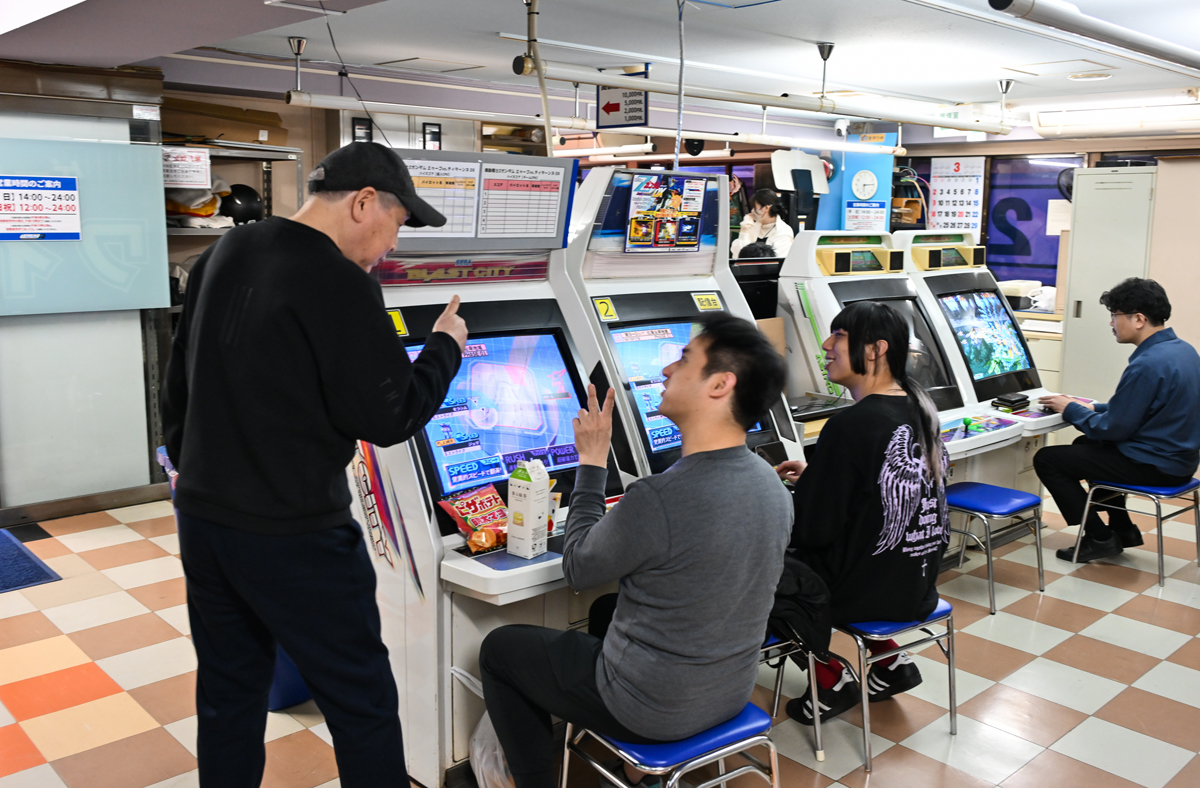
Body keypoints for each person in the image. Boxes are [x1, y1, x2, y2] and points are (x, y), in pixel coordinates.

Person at [162, 142, 469, 788]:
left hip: (205, 520)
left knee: (228, 695)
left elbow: (177, 384)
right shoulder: (341, 282)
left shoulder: (225, 250)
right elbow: (390, 416)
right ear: (364, 203)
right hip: (296, 532)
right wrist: (445, 347)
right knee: (362, 702)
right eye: (396, 223)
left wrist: (193, 474)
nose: (392, 244)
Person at [479, 314, 792, 788]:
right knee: (606, 611)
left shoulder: (660, 497)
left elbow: (577, 566)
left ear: (720, 384)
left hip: (653, 708)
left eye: (684, 359)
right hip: (730, 691)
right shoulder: (771, 483)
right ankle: (638, 774)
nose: (666, 370)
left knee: (500, 649)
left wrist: (591, 461)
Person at [774, 301, 949, 724]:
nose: (825, 344)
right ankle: (890, 663)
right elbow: (881, 492)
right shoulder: (919, 406)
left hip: (869, 589)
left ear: (875, 350)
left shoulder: (850, 424)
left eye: (838, 336)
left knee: (755, 573)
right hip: (915, 581)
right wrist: (820, 476)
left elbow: (812, 530)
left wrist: (767, 499)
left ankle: (830, 679)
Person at [1034, 278, 1200, 563]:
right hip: (1180, 460)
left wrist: (1070, 409)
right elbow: (1144, 407)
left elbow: (1111, 429)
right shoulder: (1183, 351)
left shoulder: (1147, 364)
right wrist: (1090, 407)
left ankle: (1099, 538)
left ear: (1139, 319)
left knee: (1048, 460)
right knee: (1085, 445)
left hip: (1156, 465)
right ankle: (1123, 529)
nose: (1112, 323)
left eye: (1115, 315)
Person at [730, 189, 794, 259]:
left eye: (755, 208)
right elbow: (737, 256)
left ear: (766, 208)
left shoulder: (784, 231)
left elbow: (775, 259)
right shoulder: (751, 226)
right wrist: (744, 231)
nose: (752, 211)